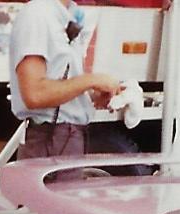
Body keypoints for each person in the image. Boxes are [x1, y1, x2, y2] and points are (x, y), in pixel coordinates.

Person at [7, 0, 119, 159]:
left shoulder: (64, 14)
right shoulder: (37, 14)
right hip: (50, 140)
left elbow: (59, 82)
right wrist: (91, 80)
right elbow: (35, 94)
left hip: (63, 138)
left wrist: (91, 95)